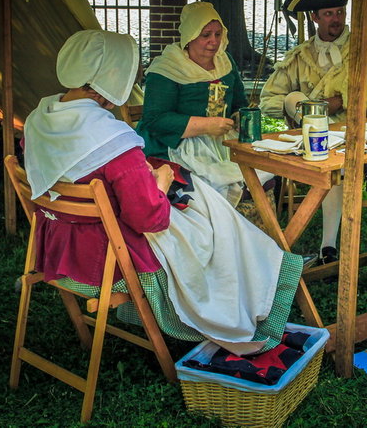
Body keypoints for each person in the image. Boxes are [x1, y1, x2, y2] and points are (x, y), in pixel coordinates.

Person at [22, 29, 303, 355]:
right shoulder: (111, 139)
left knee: (207, 213)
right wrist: (161, 182)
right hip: (109, 260)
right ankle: (251, 300)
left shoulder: (37, 121)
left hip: (57, 249)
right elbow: (149, 219)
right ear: (113, 77)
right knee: (213, 227)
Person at [259, 0, 367, 264]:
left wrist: (342, 101)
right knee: (298, 102)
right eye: (328, 13)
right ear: (315, 18)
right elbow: (268, 99)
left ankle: (328, 247)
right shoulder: (300, 56)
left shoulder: (365, 51)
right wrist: (296, 108)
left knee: (333, 163)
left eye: (339, 12)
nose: (336, 18)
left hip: (353, 132)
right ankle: (318, 246)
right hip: (310, 133)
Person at [136, 2, 275, 213]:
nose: (213, 41)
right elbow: (154, 119)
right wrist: (206, 125)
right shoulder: (167, 67)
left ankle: (252, 236)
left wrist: (238, 117)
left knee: (262, 172)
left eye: (218, 34)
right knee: (216, 182)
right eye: (206, 35)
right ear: (190, 36)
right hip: (174, 146)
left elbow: (239, 102)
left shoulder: (225, 62)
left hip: (221, 143)